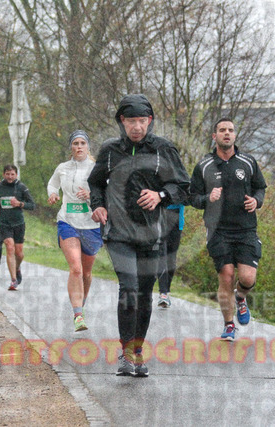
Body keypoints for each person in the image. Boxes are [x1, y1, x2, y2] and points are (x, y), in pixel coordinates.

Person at [88, 94, 190, 377]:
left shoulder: (163, 149)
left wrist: (160, 195)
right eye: (131, 121)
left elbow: (184, 187)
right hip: (118, 233)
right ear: (122, 121)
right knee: (129, 288)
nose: (137, 126)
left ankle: (136, 350)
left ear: (150, 121)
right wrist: (97, 205)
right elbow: (95, 183)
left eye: (142, 121)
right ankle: (125, 353)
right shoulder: (110, 150)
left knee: (144, 294)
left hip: (152, 234)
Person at [190, 118, 267, 342]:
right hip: (218, 231)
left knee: (247, 278)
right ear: (214, 136)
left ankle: (240, 297)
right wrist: (208, 198)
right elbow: (192, 197)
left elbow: (260, 188)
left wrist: (256, 201)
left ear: (235, 135)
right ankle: (229, 324)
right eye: (222, 130)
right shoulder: (204, 165)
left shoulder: (248, 162)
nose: (227, 133)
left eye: (230, 130)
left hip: (246, 229)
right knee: (226, 275)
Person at [47, 130, 103, 332]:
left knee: (86, 273)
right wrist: (53, 193)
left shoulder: (97, 169)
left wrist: (90, 195)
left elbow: (106, 192)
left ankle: (81, 303)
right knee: (76, 269)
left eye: (82, 143)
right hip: (67, 221)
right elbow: (52, 183)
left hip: (91, 225)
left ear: (88, 146)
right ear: (71, 147)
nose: (79, 147)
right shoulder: (63, 167)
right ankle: (78, 314)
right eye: (75, 143)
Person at [0, 165, 35, 291]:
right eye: (7, 174)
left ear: (16, 174)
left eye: (12, 174)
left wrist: (19, 204)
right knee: (9, 247)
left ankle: (17, 267)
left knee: (19, 254)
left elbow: (32, 205)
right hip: (4, 223)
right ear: (3, 174)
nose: (10, 177)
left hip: (18, 223)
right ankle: (14, 280)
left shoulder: (21, 187)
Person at [156, 203, 185, 308]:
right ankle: (163, 293)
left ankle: (166, 290)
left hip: (176, 218)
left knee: (171, 259)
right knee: (162, 255)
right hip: (160, 213)